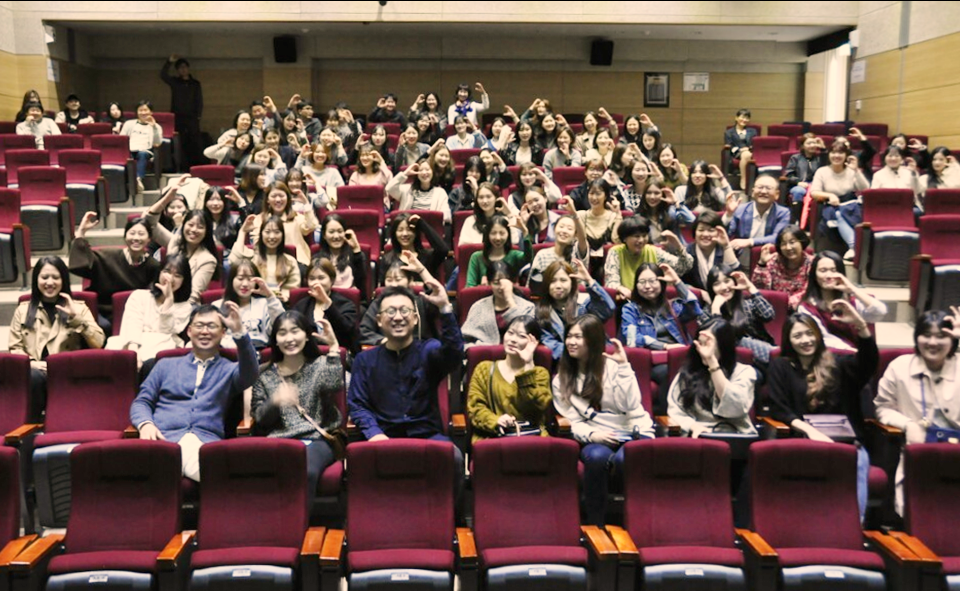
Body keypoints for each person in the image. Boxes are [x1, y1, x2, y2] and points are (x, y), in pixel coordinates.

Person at [767, 306, 879, 521]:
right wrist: (810, 431)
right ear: (788, 340)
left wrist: (861, 326)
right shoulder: (780, 366)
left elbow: (869, 363)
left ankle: (854, 526)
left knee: (857, 462)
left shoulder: (838, 363)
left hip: (845, 443)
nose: (805, 340)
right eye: (798, 336)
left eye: (810, 333)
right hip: (803, 441)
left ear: (818, 335)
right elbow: (780, 409)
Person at [131, 303, 257, 481]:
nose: (205, 331)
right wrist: (146, 424)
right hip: (164, 439)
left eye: (211, 326)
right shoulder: (165, 365)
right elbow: (142, 401)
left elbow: (251, 374)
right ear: (189, 331)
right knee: (225, 476)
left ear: (223, 333)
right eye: (199, 325)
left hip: (206, 444)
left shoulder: (229, 370)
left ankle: (165, 471)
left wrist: (240, 334)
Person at [552, 316, 654, 525]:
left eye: (578, 337)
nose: (571, 342)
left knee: (625, 460)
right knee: (596, 458)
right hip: (596, 434)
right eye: (569, 336)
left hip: (632, 430)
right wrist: (592, 435)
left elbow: (630, 405)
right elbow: (572, 420)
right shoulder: (561, 379)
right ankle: (595, 524)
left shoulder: (614, 366)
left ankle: (637, 522)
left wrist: (624, 367)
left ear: (593, 340)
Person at [347, 280, 462, 453]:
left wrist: (445, 308)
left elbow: (454, 354)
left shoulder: (428, 350)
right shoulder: (364, 360)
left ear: (415, 318)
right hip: (383, 436)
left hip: (427, 437)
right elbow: (358, 404)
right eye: (390, 311)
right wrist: (374, 433)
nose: (398, 317)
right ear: (379, 320)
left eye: (404, 310)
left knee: (454, 456)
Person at [250, 310, 343, 505]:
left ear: (307, 336)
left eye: (295, 331)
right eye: (282, 333)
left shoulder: (320, 364)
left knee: (305, 471)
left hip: (316, 439)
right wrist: (274, 402)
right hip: (279, 440)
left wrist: (334, 347)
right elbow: (259, 418)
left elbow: (334, 384)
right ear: (275, 340)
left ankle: (296, 521)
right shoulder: (265, 374)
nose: (289, 339)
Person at [875, 308, 960, 514]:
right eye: (926, 335)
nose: (933, 342)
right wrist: (908, 424)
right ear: (916, 337)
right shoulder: (900, 367)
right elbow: (883, 407)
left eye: (941, 336)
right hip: (919, 449)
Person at [9, 257, 106, 421]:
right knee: (33, 377)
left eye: (55, 277)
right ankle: (28, 426)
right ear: (36, 280)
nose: (50, 282)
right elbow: (15, 348)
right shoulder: (23, 310)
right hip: (35, 373)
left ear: (63, 280)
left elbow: (99, 343)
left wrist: (77, 319)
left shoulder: (79, 308)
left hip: (68, 372)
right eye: (44, 277)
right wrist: (31, 363)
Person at [621, 262, 702, 404]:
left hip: (679, 357)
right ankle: (668, 413)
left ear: (661, 283)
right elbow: (631, 335)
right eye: (642, 282)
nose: (647, 286)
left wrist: (677, 282)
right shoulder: (631, 309)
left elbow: (695, 309)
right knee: (669, 372)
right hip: (651, 361)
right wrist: (664, 346)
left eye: (652, 281)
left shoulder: (673, 306)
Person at [69, 212, 161, 334]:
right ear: (125, 236)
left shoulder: (153, 265)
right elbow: (80, 265)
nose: (136, 238)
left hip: (136, 312)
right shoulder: (108, 255)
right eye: (132, 233)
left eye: (141, 234)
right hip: (104, 310)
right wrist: (81, 232)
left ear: (149, 239)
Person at [667, 318, 758, 437]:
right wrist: (693, 426)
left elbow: (735, 408)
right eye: (701, 343)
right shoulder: (687, 373)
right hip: (697, 436)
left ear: (724, 345)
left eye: (708, 343)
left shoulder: (744, 372)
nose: (703, 349)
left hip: (735, 435)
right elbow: (676, 412)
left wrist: (712, 363)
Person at [466, 316, 551, 442]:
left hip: (531, 438)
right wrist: (496, 420)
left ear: (533, 342)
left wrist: (528, 366)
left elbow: (539, 407)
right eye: (510, 333)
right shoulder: (484, 369)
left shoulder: (540, 374)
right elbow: (475, 408)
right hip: (493, 437)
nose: (513, 340)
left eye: (522, 336)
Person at [105, 255, 194, 373]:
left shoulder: (185, 307)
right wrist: (134, 353)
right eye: (167, 272)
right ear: (159, 273)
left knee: (163, 347)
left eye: (177, 275)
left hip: (161, 349)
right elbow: (132, 325)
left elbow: (165, 331)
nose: (170, 279)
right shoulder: (139, 296)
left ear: (184, 281)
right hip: (133, 344)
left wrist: (168, 301)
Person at [145, 176, 221, 304]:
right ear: (183, 226)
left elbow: (193, 296)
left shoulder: (208, 260)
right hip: (161, 299)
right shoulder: (175, 243)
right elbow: (148, 222)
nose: (194, 230)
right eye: (190, 225)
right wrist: (168, 197)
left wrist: (167, 307)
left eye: (200, 227)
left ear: (206, 232)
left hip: (185, 307)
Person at [796, 251, 888, 350]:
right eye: (823, 270)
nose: (829, 276)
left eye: (834, 270)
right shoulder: (807, 307)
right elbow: (825, 339)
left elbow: (880, 312)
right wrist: (852, 352)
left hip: (862, 353)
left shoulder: (852, 301)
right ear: (814, 275)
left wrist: (852, 289)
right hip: (831, 355)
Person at [536, 259, 616, 360]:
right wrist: (577, 352)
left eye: (563, 280)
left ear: (572, 283)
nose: (558, 286)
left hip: (596, 358)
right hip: (566, 361)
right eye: (552, 281)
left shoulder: (584, 302)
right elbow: (551, 343)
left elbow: (607, 310)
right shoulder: (541, 312)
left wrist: (589, 281)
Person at [604, 215, 694, 299]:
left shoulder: (653, 251)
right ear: (624, 238)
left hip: (652, 299)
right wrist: (620, 288)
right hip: (627, 300)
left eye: (644, 236)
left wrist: (679, 247)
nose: (641, 240)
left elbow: (685, 267)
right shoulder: (615, 252)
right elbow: (611, 282)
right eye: (636, 236)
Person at [701, 266, 776, 364]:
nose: (724, 287)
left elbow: (768, 315)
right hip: (730, 360)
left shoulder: (747, 303)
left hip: (761, 356)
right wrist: (715, 311)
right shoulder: (707, 313)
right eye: (717, 284)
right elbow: (717, 341)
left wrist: (751, 288)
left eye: (727, 281)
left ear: (734, 282)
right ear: (711, 288)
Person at [810, 140, 869, 260]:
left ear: (846, 155)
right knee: (837, 213)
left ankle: (855, 248)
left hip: (851, 206)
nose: (836, 156)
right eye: (833, 152)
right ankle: (853, 246)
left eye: (840, 153)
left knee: (850, 211)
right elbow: (814, 192)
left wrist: (856, 171)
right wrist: (829, 195)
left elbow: (865, 189)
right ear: (829, 155)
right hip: (831, 206)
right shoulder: (822, 171)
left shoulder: (851, 171)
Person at [360, 257, 440, 346]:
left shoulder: (421, 301)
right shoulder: (379, 303)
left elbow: (437, 295)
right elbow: (364, 331)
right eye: (389, 280)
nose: (393, 284)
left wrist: (422, 271)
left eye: (398, 279)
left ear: (410, 281)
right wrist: (385, 341)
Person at [292, 257, 360, 357]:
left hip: (339, 355)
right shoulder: (301, 305)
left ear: (331, 280)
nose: (316, 283)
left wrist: (327, 303)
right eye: (312, 278)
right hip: (307, 356)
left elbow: (348, 332)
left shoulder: (346, 304)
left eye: (321, 278)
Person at [212, 259, 284, 350]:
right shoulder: (217, 306)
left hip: (259, 352)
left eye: (250, 279)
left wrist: (270, 296)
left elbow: (280, 325)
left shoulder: (264, 304)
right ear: (231, 281)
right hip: (228, 353)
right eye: (240, 279)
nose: (245, 284)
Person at [462, 261, 536, 346]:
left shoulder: (528, 307)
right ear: (489, 283)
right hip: (484, 352)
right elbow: (465, 339)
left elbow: (526, 335)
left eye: (506, 283)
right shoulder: (478, 306)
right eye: (496, 283)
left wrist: (510, 300)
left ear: (513, 282)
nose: (501, 287)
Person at [230, 215, 301, 303]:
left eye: (277, 232)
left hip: (279, 302)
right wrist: (243, 231)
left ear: (282, 235)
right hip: (253, 301)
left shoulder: (290, 261)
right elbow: (233, 261)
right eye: (267, 232)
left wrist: (285, 295)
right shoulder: (252, 257)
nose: (272, 236)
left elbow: (292, 287)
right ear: (261, 234)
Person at [725, 174, 792, 258]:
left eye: (768, 188)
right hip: (742, 255)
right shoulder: (740, 209)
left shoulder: (783, 213)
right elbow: (727, 234)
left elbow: (777, 238)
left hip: (770, 256)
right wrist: (729, 214)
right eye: (760, 187)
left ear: (777, 194)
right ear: (753, 192)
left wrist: (749, 242)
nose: (763, 191)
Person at [751, 225, 814, 309]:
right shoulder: (774, 259)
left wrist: (783, 303)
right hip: (771, 307)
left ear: (802, 242)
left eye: (792, 242)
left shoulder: (812, 263)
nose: (788, 248)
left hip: (799, 309)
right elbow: (759, 288)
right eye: (783, 244)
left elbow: (808, 292)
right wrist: (762, 264)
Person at [379, 212, 449, 285]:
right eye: (400, 230)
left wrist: (422, 224)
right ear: (394, 234)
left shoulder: (427, 256)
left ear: (416, 233)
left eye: (409, 230)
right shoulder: (387, 259)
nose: (405, 234)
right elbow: (382, 287)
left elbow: (443, 250)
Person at [465, 214, 532, 288]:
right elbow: (469, 286)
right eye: (493, 233)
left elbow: (528, 258)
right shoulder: (476, 257)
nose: (498, 238)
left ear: (508, 234)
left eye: (502, 233)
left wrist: (525, 233)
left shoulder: (514, 255)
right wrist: (483, 288)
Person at [527, 214, 589, 292]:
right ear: (554, 229)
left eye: (569, 229)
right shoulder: (542, 255)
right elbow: (531, 285)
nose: (564, 231)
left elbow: (583, 239)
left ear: (576, 235)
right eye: (561, 227)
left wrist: (575, 214)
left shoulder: (577, 253)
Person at [161, 54, 203, 167]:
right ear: (177, 71)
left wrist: (198, 115)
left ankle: (196, 165)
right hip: (178, 117)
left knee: (195, 141)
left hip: (192, 117)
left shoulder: (195, 84)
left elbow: (199, 100)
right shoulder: (175, 82)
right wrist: (169, 62)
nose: (183, 69)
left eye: (184, 67)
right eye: (180, 68)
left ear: (188, 68)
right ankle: (181, 166)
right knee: (180, 142)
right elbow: (163, 75)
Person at [682, 211, 739, 291]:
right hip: (696, 297)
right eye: (701, 230)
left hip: (724, 293)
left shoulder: (725, 249)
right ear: (695, 232)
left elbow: (736, 279)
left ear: (719, 232)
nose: (705, 234)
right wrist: (700, 293)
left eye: (711, 230)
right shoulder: (688, 251)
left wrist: (726, 247)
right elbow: (679, 282)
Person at [314, 213, 367, 299]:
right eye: (331, 232)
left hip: (349, 300)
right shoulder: (317, 258)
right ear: (324, 235)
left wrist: (356, 249)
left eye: (340, 231)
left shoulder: (355, 256)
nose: (336, 236)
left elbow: (361, 285)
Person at [386, 160, 451, 223]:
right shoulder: (407, 189)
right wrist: (405, 173)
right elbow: (389, 188)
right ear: (416, 174)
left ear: (433, 172)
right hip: (408, 225)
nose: (424, 173)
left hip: (430, 226)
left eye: (427, 170)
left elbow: (446, 216)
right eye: (421, 170)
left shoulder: (440, 192)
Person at [871, 145, 922, 218]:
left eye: (897, 156)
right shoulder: (878, 175)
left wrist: (914, 173)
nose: (893, 158)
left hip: (907, 207)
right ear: (885, 158)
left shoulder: (910, 172)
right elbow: (873, 196)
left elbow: (917, 191)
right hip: (886, 207)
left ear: (902, 159)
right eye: (890, 156)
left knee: (917, 212)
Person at [784, 133, 828, 205]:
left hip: (816, 185)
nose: (812, 145)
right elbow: (789, 175)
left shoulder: (820, 158)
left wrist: (823, 149)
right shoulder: (795, 158)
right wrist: (798, 182)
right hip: (799, 185)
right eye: (809, 143)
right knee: (798, 191)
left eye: (814, 143)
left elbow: (826, 169)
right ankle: (797, 212)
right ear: (802, 146)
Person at [723, 109, 757, 190]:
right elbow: (729, 146)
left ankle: (744, 180)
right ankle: (746, 180)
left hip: (751, 152)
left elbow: (756, 143)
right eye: (742, 117)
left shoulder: (753, 131)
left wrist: (748, 148)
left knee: (747, 154)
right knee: (746, 154)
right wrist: (740, 150)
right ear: (736, 118)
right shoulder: (729, 132)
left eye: (747, 118)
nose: (744, 120)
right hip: (736, 153)